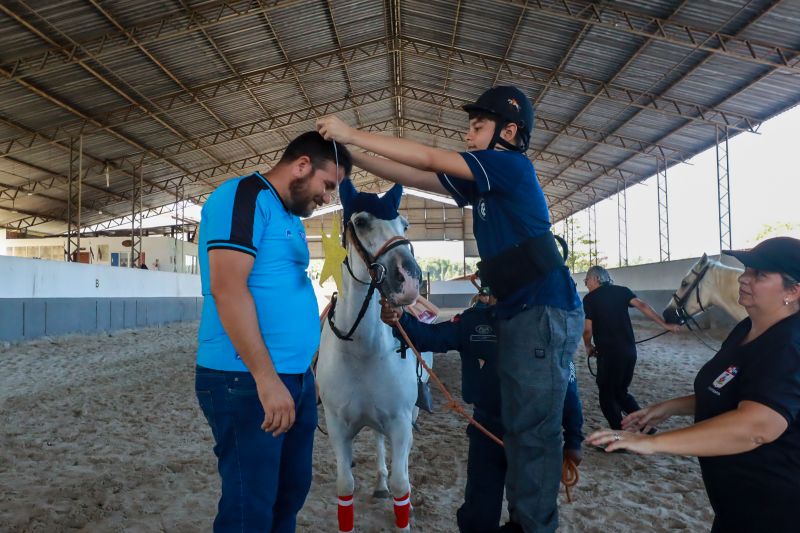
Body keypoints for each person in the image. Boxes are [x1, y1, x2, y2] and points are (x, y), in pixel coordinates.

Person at [318, 85, 583, 532]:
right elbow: (419, 176)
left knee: (532, 437)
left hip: (542, 311)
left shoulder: (511, 167)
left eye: (478, 127)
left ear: (510, 131)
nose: (470, 134)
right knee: (510, 424)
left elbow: (426, 159)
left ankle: (532, 524)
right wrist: (352, 158)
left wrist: (353, 133)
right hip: (518, 311)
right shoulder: (486, 181)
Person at [587, 237, 800, 533]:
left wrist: (653, 443)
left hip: (774, 506)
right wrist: (670, 408)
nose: (744, 278)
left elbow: (757, 426)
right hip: (735, 501)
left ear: (792, 291)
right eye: (747, 270)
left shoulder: (789, 344)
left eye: (759, 274)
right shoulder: (745, 330)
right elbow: (730, 391)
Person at [194, 131, 350, 532]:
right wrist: (266, 378)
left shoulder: (291, 217)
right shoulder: (243, 197)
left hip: (294, 378)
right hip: (244, 378)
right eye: (328, 185)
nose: (329, 198)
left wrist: (304, 369)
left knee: (290, 493)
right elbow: (227, 289)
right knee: (251, 505)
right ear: (301, 166)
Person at [380, 298, 584, 533]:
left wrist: (574, 438)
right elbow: (430, 336)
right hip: (487, 432)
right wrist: (401, 319)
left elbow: (568, 385)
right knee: (478, 518)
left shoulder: (550, 324)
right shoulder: (474, 321)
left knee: (531, 523)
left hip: (537, 438)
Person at [582, 265, 681, 430]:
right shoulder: (622, 291)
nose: (586, 284)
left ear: (596, 279)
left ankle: (618, 434)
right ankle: (646, 426)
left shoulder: (590, 299)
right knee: (620, 393)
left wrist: (588, 346)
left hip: (608, 355)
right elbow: (642, 306)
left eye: (587, 280)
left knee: (607, 396)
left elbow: (587, 330)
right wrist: (665, 325)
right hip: (629, 353)